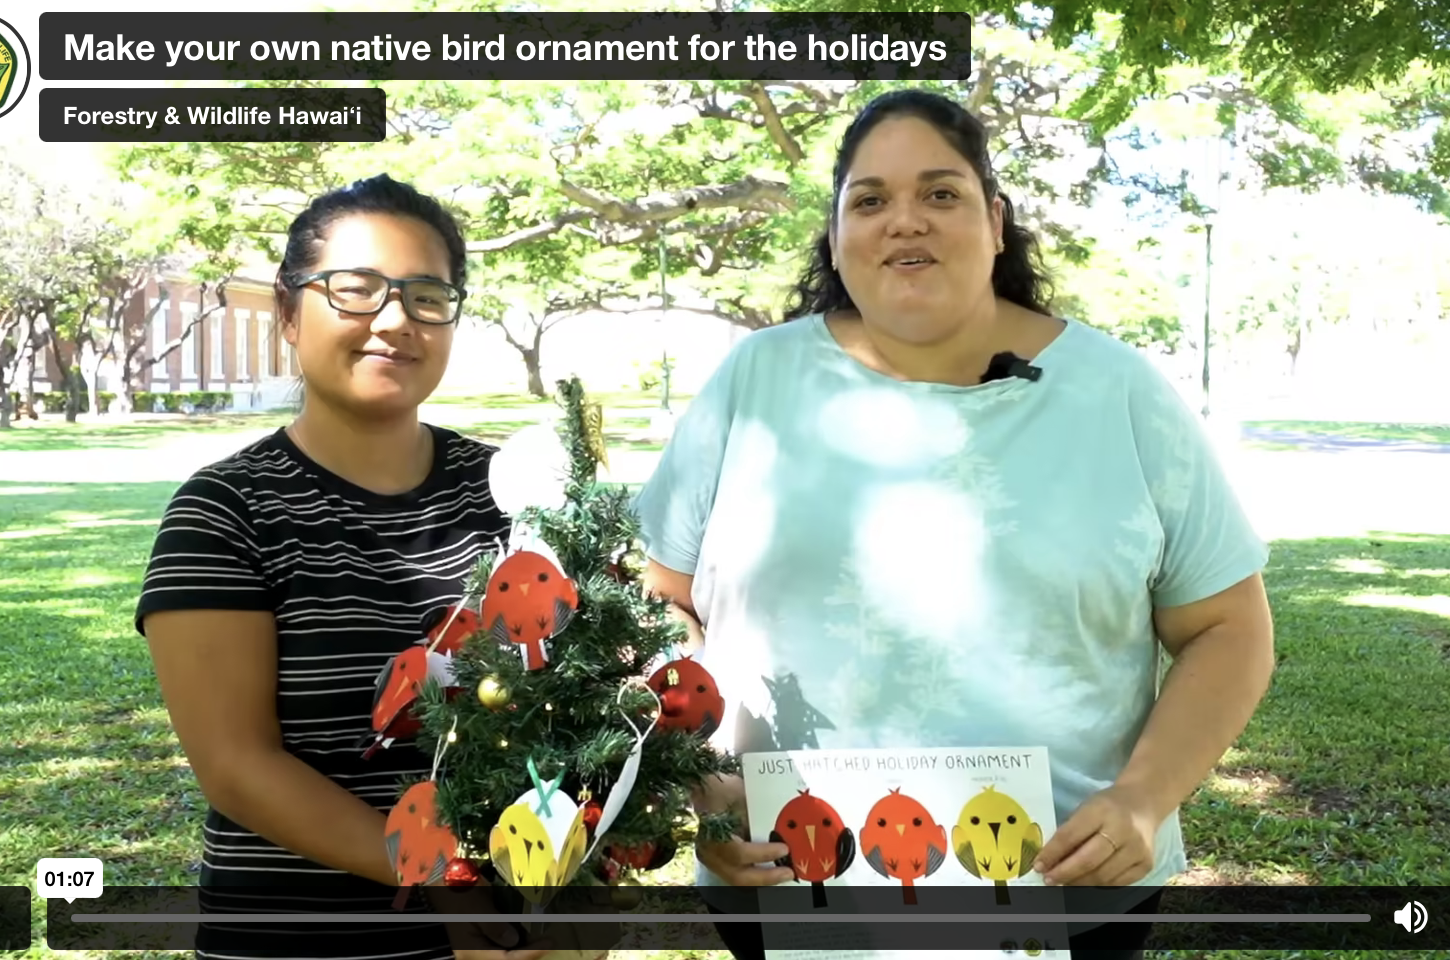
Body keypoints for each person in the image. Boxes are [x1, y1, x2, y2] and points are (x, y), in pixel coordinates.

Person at [634, 89, 1276, 960]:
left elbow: (1229, 629)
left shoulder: (1120, 394)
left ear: (996, 221)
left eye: (940, 193)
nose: (906, 221)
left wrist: (1143, 799)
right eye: (870, 200)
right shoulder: (753, 383)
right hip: (787, 883)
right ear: (836, 236)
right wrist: (703, 781)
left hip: (1065, 891)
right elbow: (660, 600)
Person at [137, 174, 549, 960]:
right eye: (356, 290)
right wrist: (446, 877)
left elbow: (589, 711)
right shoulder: (224, 512)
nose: (395, 320)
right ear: (289, 313)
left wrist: (579, 900)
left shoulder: (515, 495)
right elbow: (237, 766)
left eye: (427, 296)